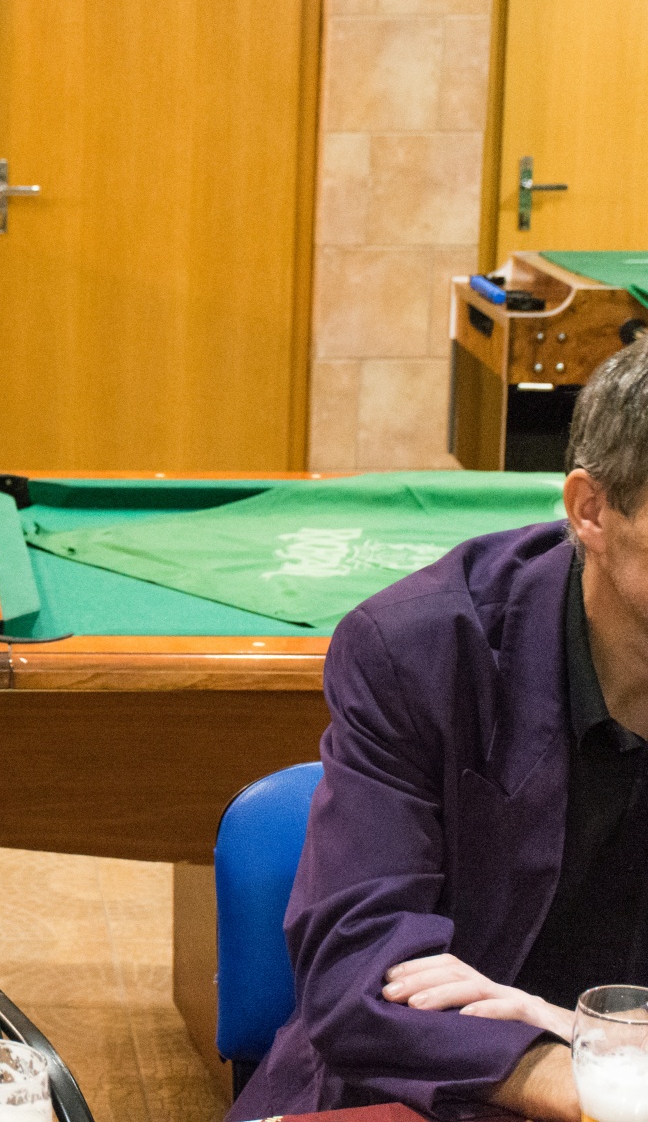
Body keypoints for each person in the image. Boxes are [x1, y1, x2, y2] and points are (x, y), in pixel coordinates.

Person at [231, 340, 648, 1122]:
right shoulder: (419, 650)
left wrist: (583, 1033)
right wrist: (583, 1080)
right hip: (433, 1098)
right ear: (591, 510)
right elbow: (358, 977)